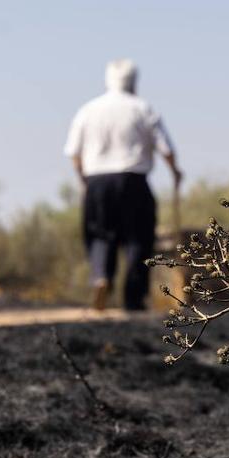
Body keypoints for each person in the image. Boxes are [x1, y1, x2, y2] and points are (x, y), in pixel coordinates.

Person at [64, 59, 181, 311]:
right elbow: (166, 148)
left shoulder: (89, 110)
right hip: (133, 180)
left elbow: (74, 152)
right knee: (138, 238)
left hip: (96, 180)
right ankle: (133, 299)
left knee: (99, 235)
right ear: (134, 81)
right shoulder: (142, 109)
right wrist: (175, 172)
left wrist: (84, 180)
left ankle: (100, 276)